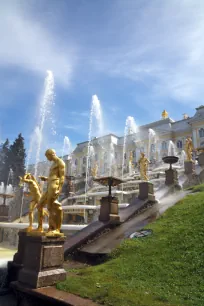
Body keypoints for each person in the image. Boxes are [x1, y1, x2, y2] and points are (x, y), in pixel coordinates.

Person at [36, 149, 65, 237]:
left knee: (50, 207)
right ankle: (40, 227)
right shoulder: (53, 163)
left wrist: (59, 189)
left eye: (47, 156)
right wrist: (46, 178)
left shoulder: (61, 162)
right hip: (50, 185)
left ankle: (54, 228)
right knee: (39, 205)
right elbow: (53, 176)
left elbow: (62, 177)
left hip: (54, 186)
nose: (47, 158)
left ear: (51, 154)